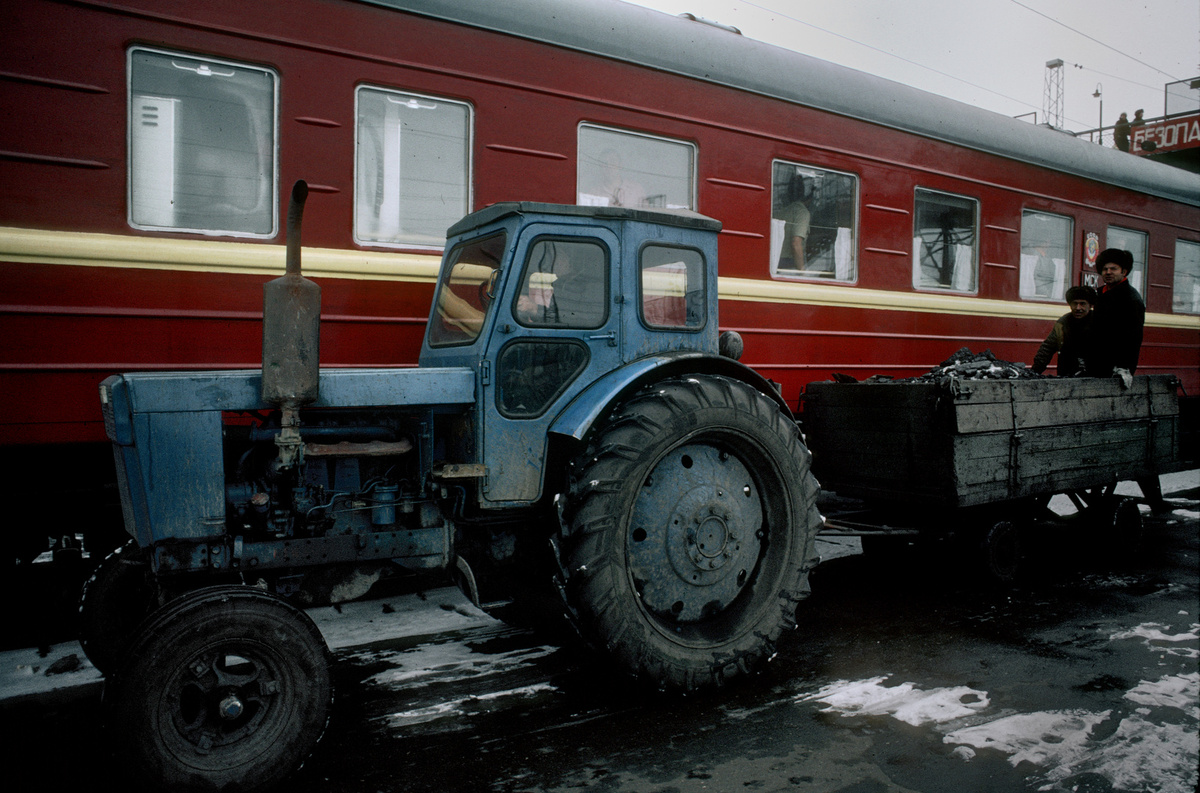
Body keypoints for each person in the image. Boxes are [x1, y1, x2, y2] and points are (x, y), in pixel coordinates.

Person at [1091, 248, 1145, 385]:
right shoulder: (1099, 295)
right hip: (1096, 363)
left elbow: (1133, 337)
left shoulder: (1131, 299)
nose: (1108, 272)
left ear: (1124, 272)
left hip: (1115, 369)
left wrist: (1124, 367)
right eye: (1105, 269)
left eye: (1113, 269)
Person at [1032, 285, 1097, 376]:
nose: (1078, 308)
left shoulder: (1099, 322)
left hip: (1094, 375)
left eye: (1082, 304)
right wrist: (1035, 371)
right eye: (1075, 303)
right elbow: (1047, 348)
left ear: (1090, 305)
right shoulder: (1062, 324)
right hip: (1067, 374)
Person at [773, 175, 811, 269]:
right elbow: (796, 243)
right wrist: (802, 271)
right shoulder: (802, 212)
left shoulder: (782, 211)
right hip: (790, 263)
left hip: (776, 260)